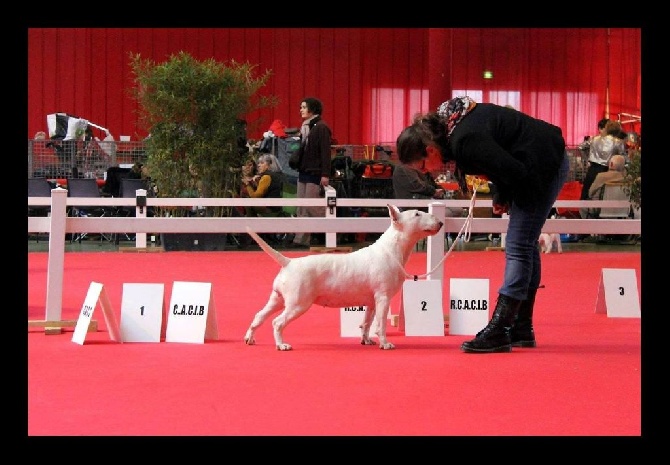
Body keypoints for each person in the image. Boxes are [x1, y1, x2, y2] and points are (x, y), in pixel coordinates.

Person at [397, 96, 569, 353]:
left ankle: (500, 329)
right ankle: (521, 327)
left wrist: (506, 195)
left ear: (431, 150)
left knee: (518, 244)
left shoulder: (464, 141)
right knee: (524, 243)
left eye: (422, 166)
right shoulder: (455, 128)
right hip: (536, 158)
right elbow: (501, 161)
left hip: (543, 164)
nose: (427, 172)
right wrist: (502, 195)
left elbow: (515, 171)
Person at [285, 97, 332, 249]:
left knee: (313, 206)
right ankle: (301, 238)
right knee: (301, 206)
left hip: (315, 172)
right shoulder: (306, 128)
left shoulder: (321, 127)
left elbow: (325, 153)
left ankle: (333, 228)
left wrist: (325, 174)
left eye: (304, 107)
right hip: (303, 171)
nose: (301, 110)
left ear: (312, 109)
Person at [392, 146, 464, 217]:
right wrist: (434, 191)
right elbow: (416, 186)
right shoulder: (402, 168)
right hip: (414, 204)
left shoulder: (419, 163)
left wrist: (439, 190)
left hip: (428, 199)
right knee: (446, 213)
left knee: (458, 210)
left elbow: (430, 181)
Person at [580, 119, 626, 201]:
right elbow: (624, 158)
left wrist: (587, 159)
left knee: (587, 192)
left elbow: (581, 147)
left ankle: (584, 211)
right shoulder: (618, 142)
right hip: (608, 170)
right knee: (604, 194)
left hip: (593, 169)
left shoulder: (595, 139)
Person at [579, 154, 627, 219]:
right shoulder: (627, 178)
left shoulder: (601, 176)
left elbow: (590, 193)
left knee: (582, 207)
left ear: (611, 164)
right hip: (621, 209)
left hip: (600, 208)